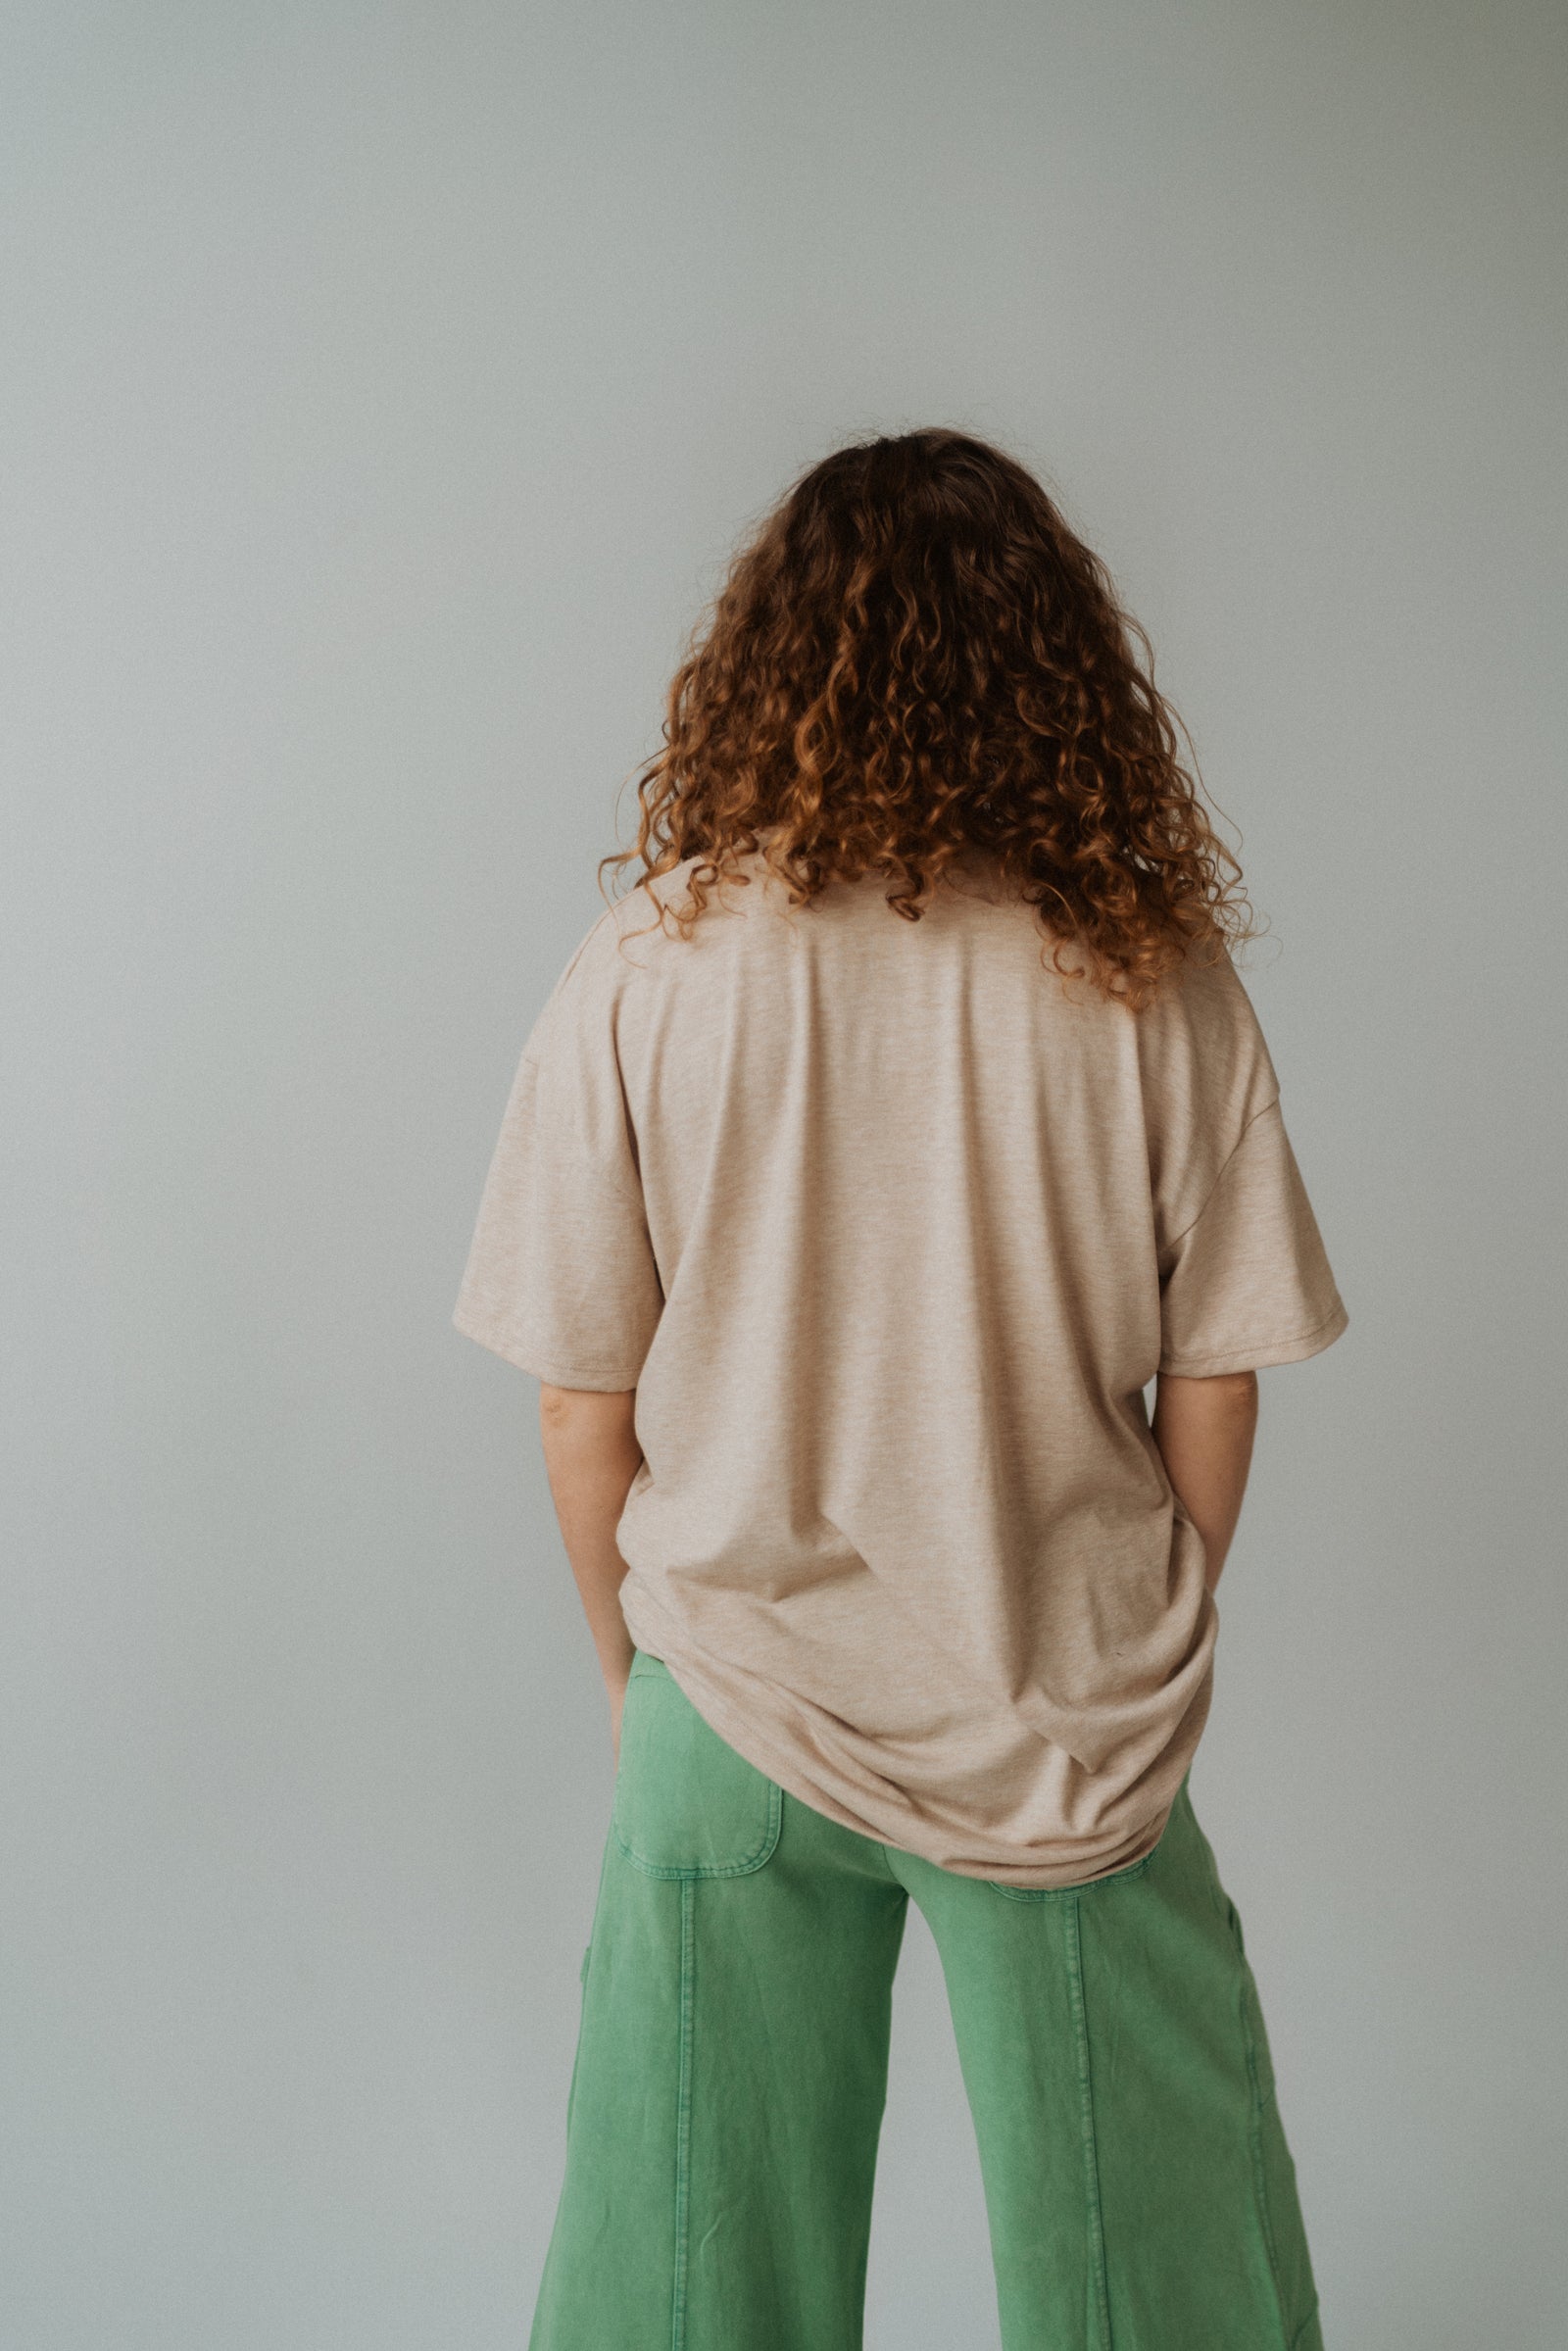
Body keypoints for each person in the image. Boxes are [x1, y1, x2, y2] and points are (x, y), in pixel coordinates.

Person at [453, 427, 1348, 2351]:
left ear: (765, 661)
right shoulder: (1149, 974)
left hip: (732, 1696)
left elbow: (578, 1405)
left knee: (680, 2297)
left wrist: (642, 1687)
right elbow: (1217, 1383)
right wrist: (1141, 1621)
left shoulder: (646, 967)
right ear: (1056, 668)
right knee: (1167, 2291)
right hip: (1061, 1709)